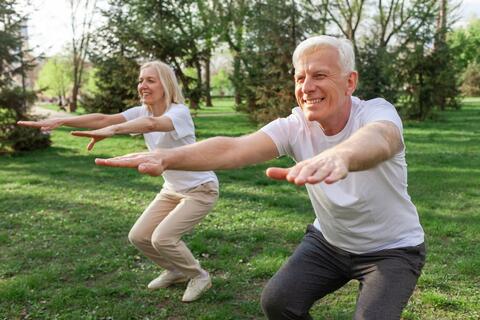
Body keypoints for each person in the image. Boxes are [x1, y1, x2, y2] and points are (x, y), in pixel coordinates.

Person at [94, 36, 426, 319]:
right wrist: (166, 157)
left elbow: (382, 139)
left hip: (392, 250)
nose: (307, 87)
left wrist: (340, 155)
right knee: (278, 303)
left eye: (320, 76)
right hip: (330, 242)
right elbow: (233, 149)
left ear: (349, 81)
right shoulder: (296, 125)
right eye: (300, 78)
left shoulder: (375, 112)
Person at [17, 61, 219, 303]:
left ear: (166, 85)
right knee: (139, 236)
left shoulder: (179, 112)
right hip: (172, 189)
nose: (142, 85)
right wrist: (61, 121)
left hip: (201, 189)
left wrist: (113, 130)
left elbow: (153, 125)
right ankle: (176, 271)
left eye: (150, 80)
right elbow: (103, 118)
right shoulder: (142, 111)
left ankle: (198, 275)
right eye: (141, 80)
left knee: (162, 238)